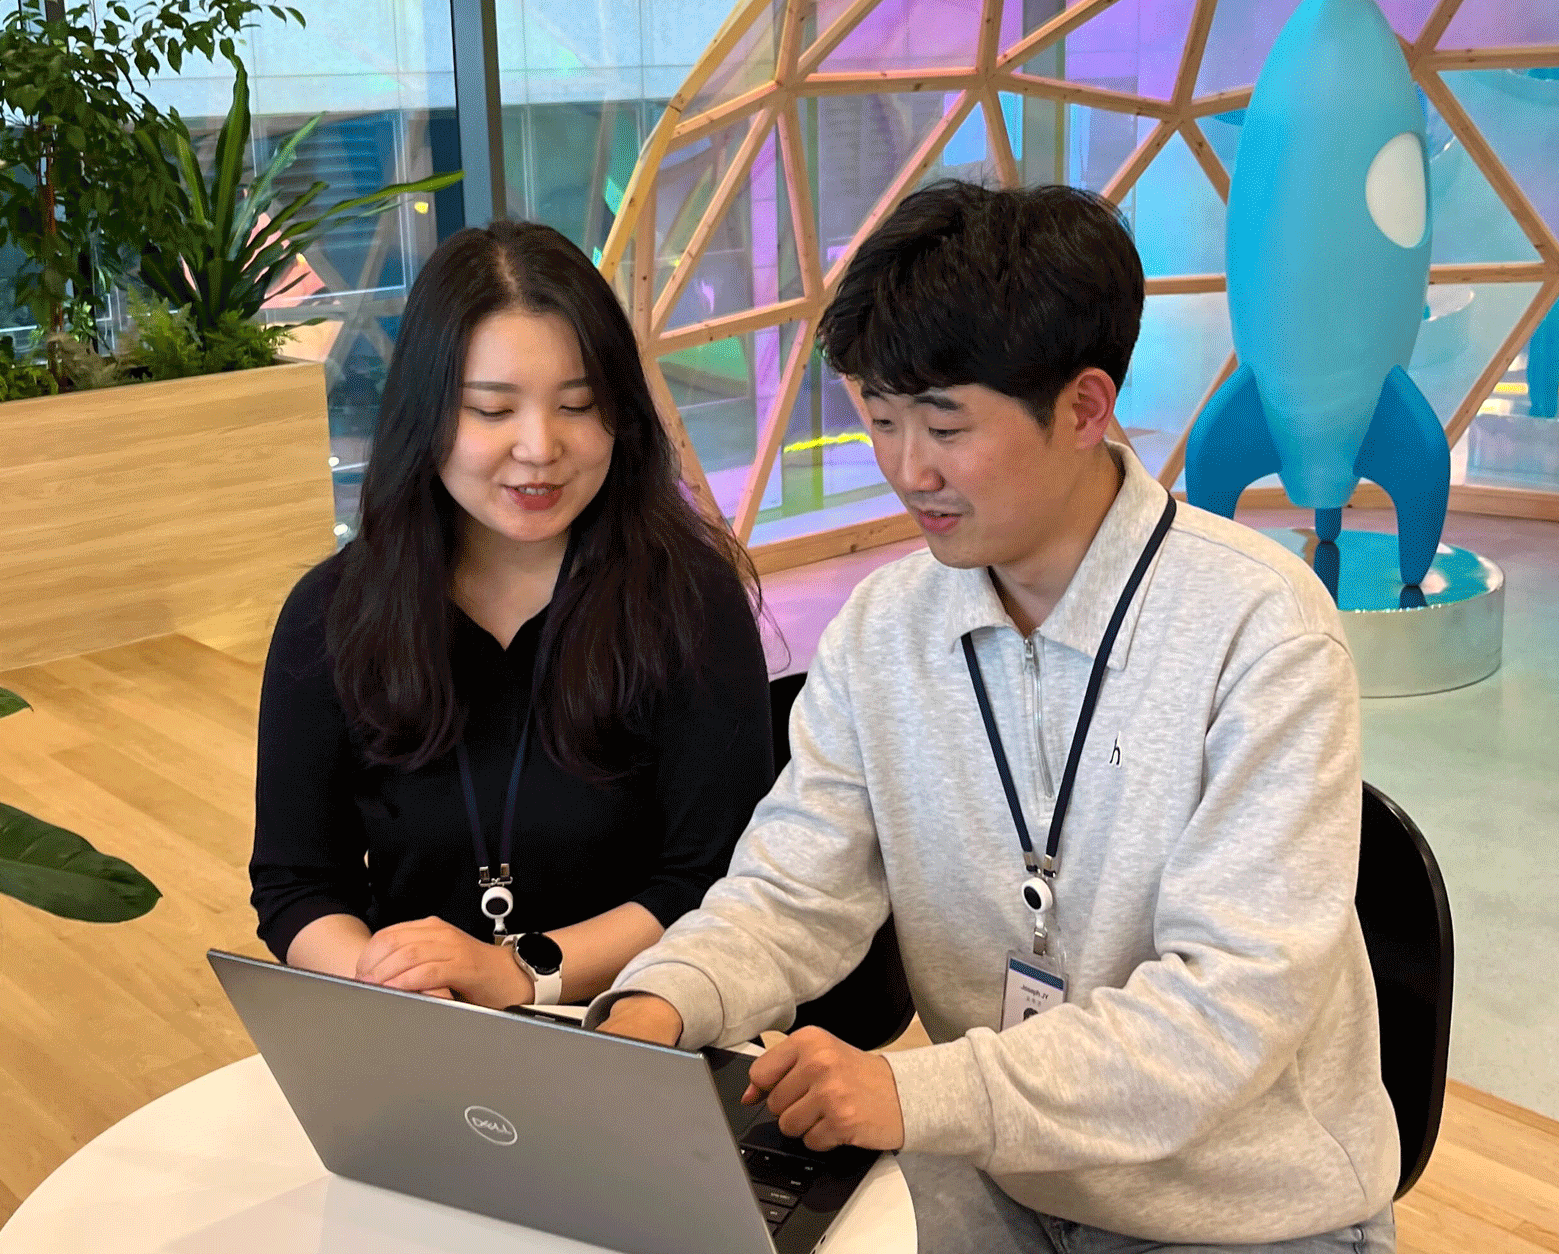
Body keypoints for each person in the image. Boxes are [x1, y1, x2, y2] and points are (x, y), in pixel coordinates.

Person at [589, 181, 1401, 1252]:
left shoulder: (1259, 628)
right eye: (881, 419)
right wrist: (658, 1007)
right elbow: (794, 890)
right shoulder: (884, 630)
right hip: (989, 1180)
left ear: (1083, 407)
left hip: (1236, 1211)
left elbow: (1226, 1011)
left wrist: (912, 1093)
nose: (907, 470)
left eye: (946, 424)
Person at [251, 219, 774, 1011]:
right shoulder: (332, 615)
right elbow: (297, 881)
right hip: (421, 1032)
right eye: (492, 411)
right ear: (424, 416)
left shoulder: (687, 602)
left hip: (640, 1022)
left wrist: (523, 971)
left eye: (578, 405)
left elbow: (715, 877)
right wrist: (397, 986)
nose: (540, 447)